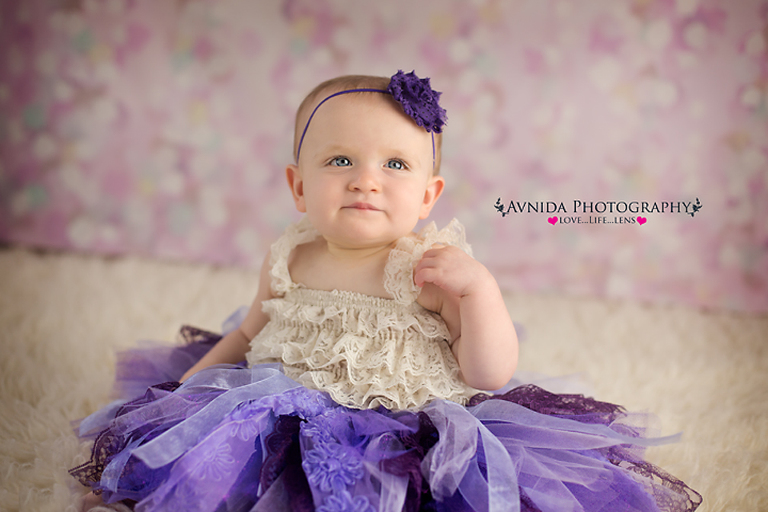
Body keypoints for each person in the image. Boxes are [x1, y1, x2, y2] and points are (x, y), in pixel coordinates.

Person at [70, 71, 701, 512]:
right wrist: (183, 402)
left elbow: (488, 371)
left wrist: (480, 292)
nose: (366, 181)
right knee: (203, 461)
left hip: (400, 433)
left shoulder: (425, 267)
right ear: (297, 185)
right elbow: (246, 334)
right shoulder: (290, 255)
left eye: (395, 165)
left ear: (429, 195)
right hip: (281, 413)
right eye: (340, 161)